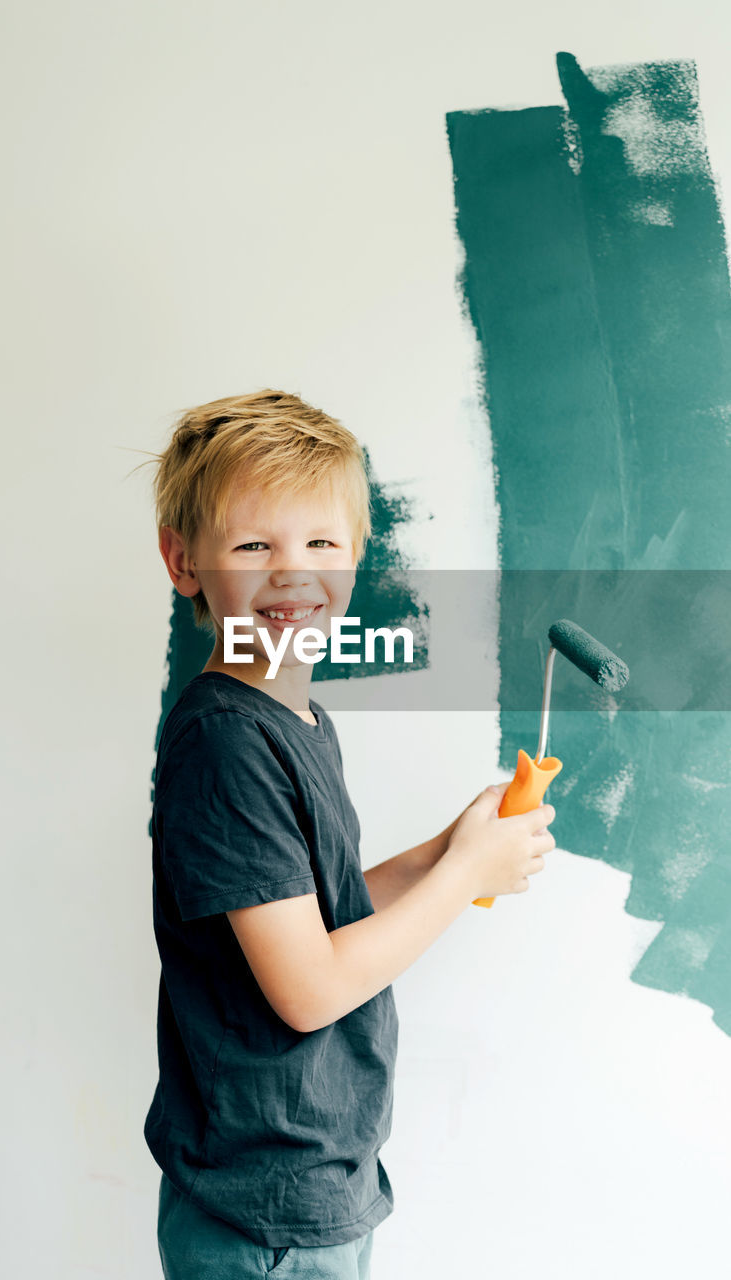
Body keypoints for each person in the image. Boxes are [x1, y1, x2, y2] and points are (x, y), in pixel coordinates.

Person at [143, 388, 555, 1279]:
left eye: (321, 544)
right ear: (185, 562)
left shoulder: (293, 717)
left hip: (310, 1179)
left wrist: (451, 849)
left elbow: (314, 907)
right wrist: (460, 879)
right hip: (267, 1211)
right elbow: (308, 988)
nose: (293, 574)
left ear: (357, 557)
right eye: (254, 546)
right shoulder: (226, 744)